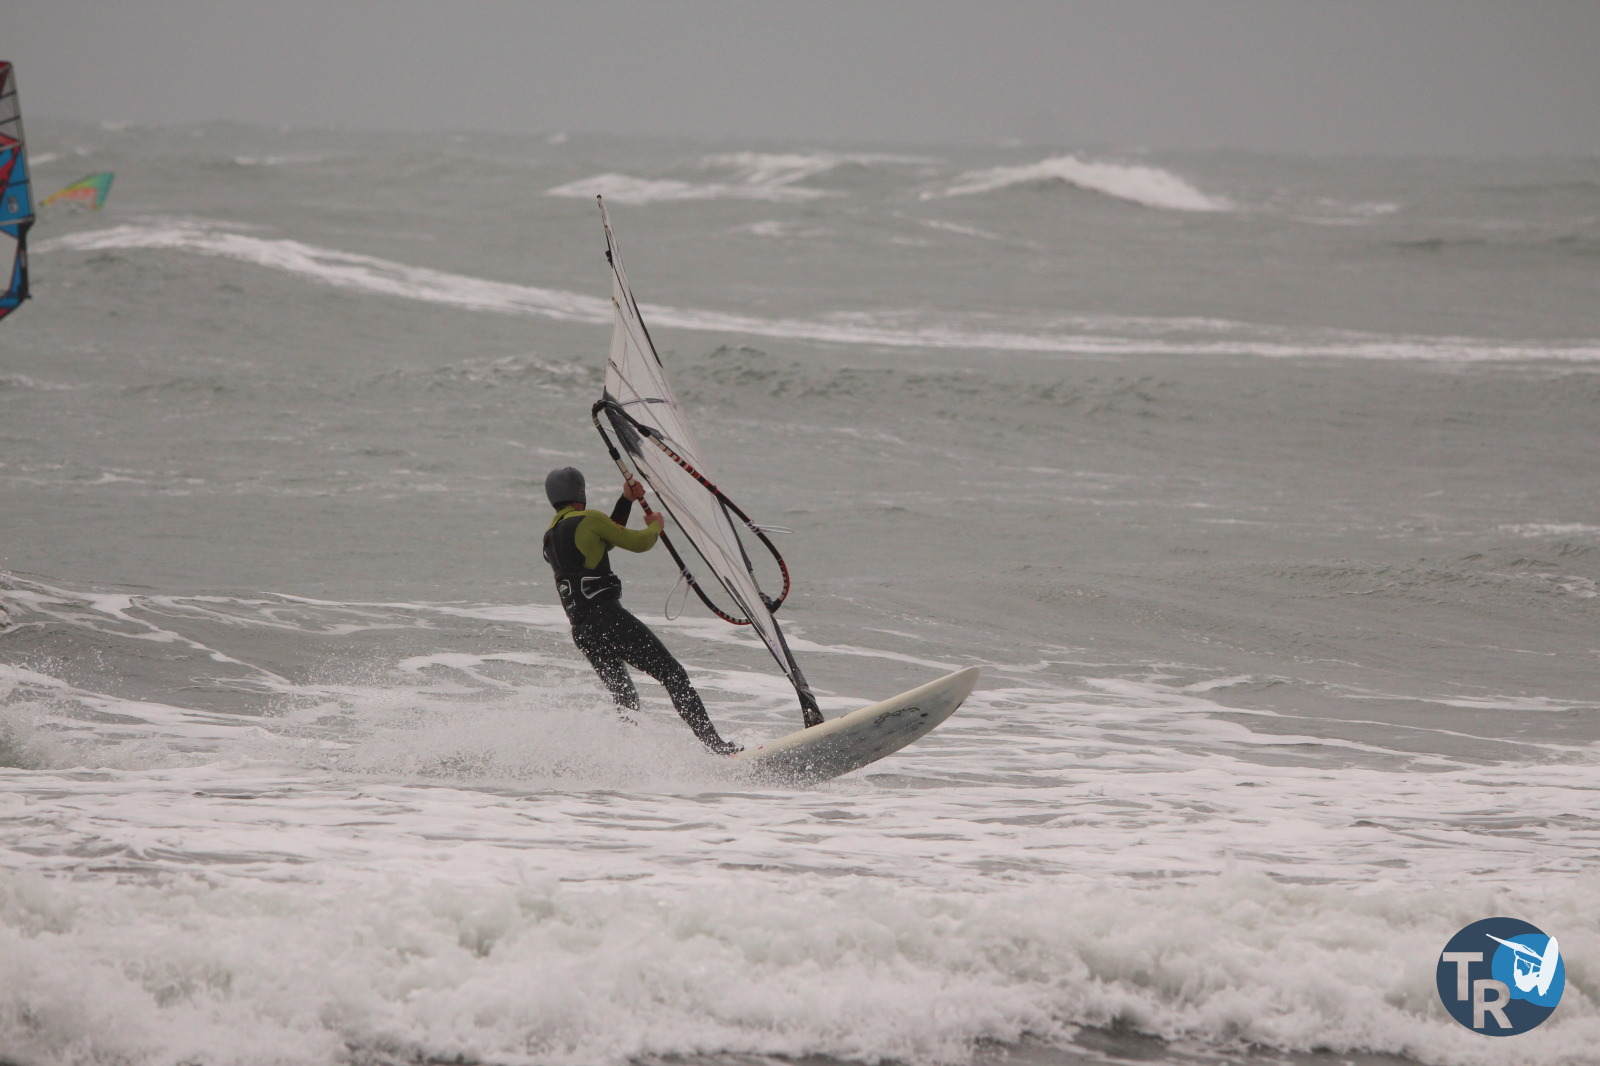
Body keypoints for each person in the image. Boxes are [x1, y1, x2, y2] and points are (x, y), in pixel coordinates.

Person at [541, 466, 742, 755]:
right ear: (580, 492)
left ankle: (628, 756)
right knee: (673, 674)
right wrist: (655, 526)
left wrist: (626, 500)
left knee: (625, 697)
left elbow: (603, 539)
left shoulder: (549, 538)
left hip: (583, 631)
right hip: (608, 618)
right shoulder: (590, 519)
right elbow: (639, 542)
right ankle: (717, 746)